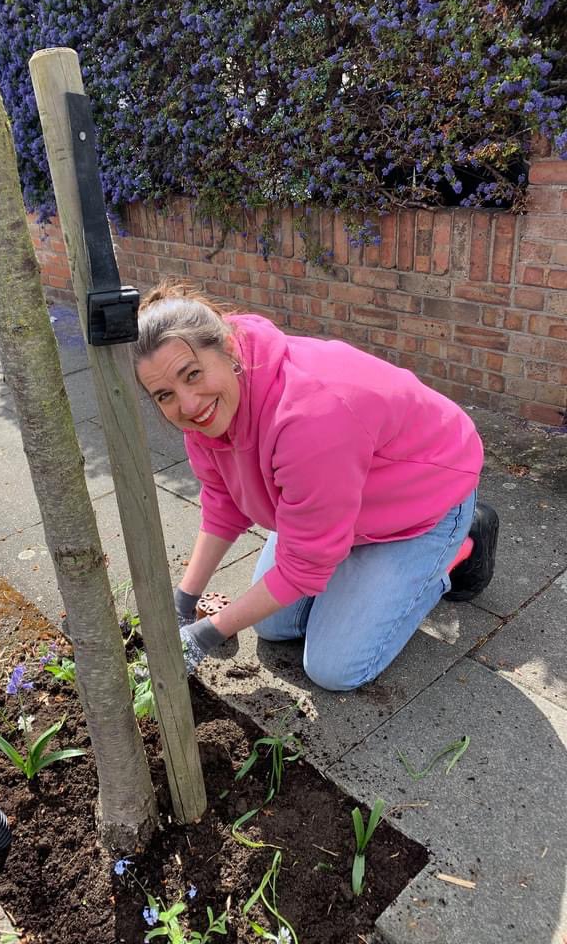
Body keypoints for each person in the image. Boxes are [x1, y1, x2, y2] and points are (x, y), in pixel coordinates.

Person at [133, 280, 498, 690]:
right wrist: (184, 599)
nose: (188, 404)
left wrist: (206, 634)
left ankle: (458, 548)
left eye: (193, 374)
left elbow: (302, 566)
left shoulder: (309, 419)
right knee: (272, 626)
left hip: (425, 499)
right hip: (342, 503)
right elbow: (223, 502)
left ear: (229, 350)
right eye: (164, 395)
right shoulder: (207, 411)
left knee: (335, 669)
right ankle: (342, 552)